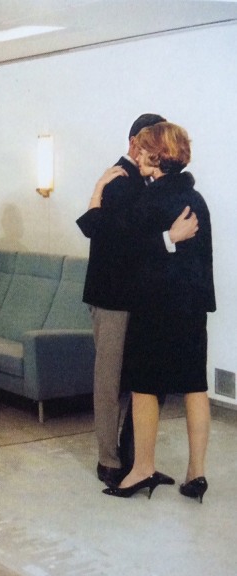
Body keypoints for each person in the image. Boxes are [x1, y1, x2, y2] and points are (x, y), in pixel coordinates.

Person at [77, 113, 199, 487]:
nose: (159, 154)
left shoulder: (143, 182)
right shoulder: (120, 181)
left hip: (142, 298)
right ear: (136, 144)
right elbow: (116, 241)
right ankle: (109, 460)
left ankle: (136, 460)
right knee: (111, 380)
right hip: (114, 297)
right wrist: (168, 238)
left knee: (141, 381)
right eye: (153, 146)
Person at [98, 122, 215, 501]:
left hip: (156, 308)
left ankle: (142, 468)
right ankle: (196, 473)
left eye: (146, 149)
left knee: (144, 388)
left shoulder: (151, 199)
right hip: (193, 309)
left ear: (158, 155)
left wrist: (97, 194)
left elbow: (122, 246)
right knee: (196, 388)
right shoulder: (196, 198)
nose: (140, 155)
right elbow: (202, 261)